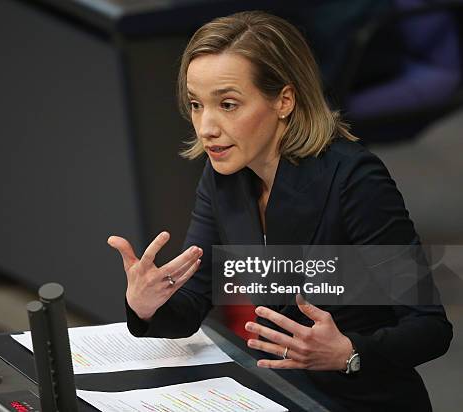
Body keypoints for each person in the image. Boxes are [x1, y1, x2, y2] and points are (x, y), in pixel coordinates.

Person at [107, 11, 452, 411]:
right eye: (197, 105)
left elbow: (429, 328)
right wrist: (147, 304)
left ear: (284, 100)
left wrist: (347, 353)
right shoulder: (223, 177)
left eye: (228, 104)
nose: (206, 127)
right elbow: (192, 305)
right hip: (278, 393)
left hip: (363, 400)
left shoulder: (355, 179)